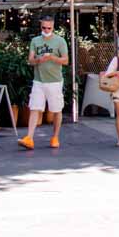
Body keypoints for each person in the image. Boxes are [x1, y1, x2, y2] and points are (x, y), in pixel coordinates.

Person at [18, 13, 69, 151]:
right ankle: (29, 137)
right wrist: (38, 60)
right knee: (34, 108)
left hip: (55, 81)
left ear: (53, 27)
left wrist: (51, 57)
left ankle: (55, 137)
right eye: (44, 28)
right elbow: (30, 60)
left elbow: (65, 60)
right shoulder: (35, 41)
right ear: (40, 26)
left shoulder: (60, 41)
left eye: (49, 28)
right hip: (38, 80)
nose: (46, 30)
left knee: (56, 110)